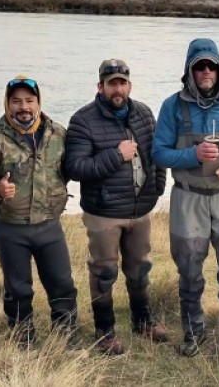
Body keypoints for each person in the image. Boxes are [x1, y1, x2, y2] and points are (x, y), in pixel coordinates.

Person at [152, 39, 219, 357]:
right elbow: (158, 152)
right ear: (189, 70)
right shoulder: (172, 106)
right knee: (188, 269)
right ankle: (193, 334)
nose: (206, 71)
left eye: (211, 65)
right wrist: (192, 155)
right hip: (188, 199)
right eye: (200, 65)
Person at [0, 75, 78, 349]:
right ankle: (23, 338)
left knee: (62, 283)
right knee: (18, 289)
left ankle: (65, 336)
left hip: (49, 225)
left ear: (39, 102)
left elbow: (73, 168)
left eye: (29, 100)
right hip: (10, 228)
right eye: (16, 101)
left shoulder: (58, 134)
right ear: (7, 103)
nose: (23, 106)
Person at [64, 59, 167, 355]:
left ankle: (142, 321)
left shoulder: (145, 114)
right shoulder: (83, 120)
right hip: (103, 214)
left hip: (141, 210)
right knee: (103, 273)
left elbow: (156, 154)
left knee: (140, 270)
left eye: (122, 82)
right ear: (100, 86)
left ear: (130, 85)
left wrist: (157, 188)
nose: (117, 89)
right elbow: (75, 168)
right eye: (111, 83)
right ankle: (105, 330)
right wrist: (115, 155)